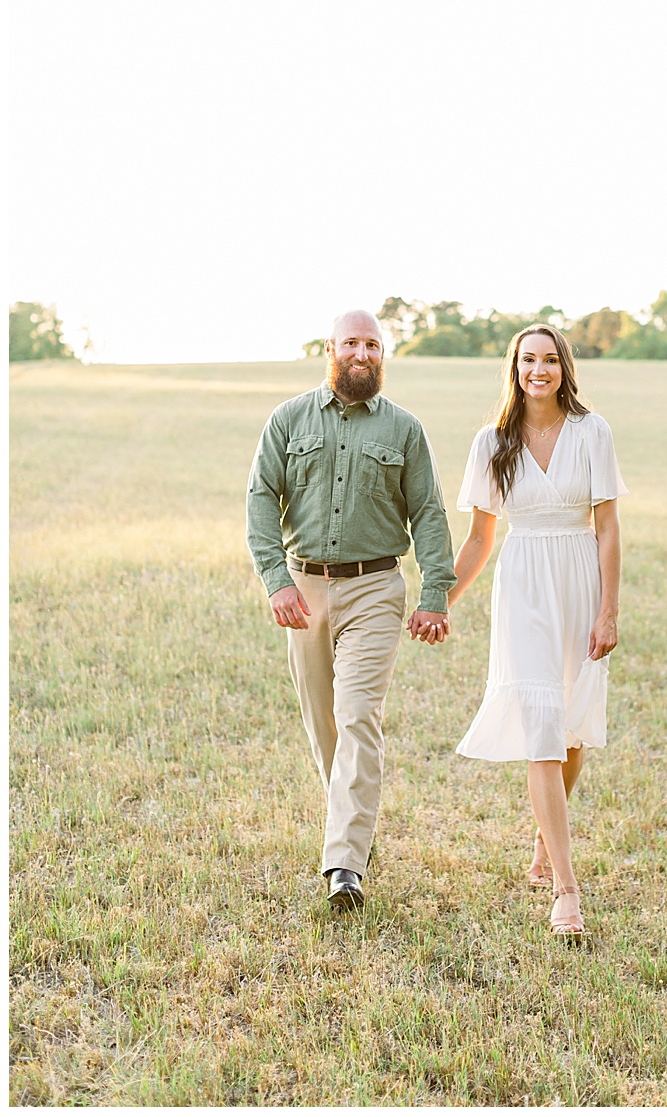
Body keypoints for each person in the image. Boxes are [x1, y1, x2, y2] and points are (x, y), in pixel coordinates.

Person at [245, 309, 456, 910]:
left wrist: (434, 593)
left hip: (375, 588)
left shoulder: (405, 430)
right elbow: (261, 498)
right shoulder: (287, 420)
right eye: (351, 343)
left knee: (358, 713)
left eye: (373, 344)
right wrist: (276, 580)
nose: (362, 353)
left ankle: (344, 865)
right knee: (325, 727)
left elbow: (430, 513)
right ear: (330, 349)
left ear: (382, 354)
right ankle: (352, 828)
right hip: (305, 591)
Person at [447, 323, 625, 938]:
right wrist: (439, 598)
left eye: (550, 360)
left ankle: (544, 842)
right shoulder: (491, 442)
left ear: (563, 367)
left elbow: (606, 527)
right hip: (522, 586)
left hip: (578, 581)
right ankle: (567, 893)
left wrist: (609, 610)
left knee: (571, 728)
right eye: (528, 360)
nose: (539, 370)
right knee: (543, 730)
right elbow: (478, 539)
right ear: (515, 368)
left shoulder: (591, 431)